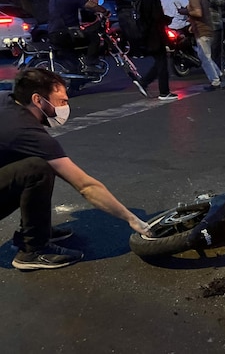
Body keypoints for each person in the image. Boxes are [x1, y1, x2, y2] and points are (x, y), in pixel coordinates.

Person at [0, 68, 152, 270]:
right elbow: (86, 186)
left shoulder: (5, 101)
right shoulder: (26, 132)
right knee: (38, 169)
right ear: (38, 100)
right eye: (61, 101)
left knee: (34, 162)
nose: (65, 106)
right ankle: (33, 249)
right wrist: (132, 219)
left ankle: (34, 232)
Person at [47, 0, 110, 72]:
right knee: (94, 38)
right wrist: (104, 11)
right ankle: (90, 64)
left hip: (53, 32)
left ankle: (77, 69)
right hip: (66, 32)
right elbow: (90, 5)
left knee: (73, 50)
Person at [134, 0, 178, 100]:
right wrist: (167, 19)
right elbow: (157, 16)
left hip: (149, 34)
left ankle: (144, 82)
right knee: (162, 62)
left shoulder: (142, 1)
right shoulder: (152, 0)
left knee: (160, 62)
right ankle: (164, 91)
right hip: (155, 35)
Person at [178, 0, 223, 90]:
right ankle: (217, 73)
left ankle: (215, 81)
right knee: (205, 56)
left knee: (205, 58)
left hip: (202, 31)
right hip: (208, 29)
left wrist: (185, 11)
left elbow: (198, 13)